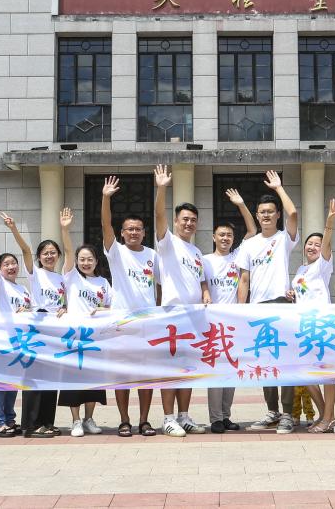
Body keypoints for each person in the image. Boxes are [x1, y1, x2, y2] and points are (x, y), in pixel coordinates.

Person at [236, 170, 300, 434]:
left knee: (286, 360)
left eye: (270, 212)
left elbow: (293, 214)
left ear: (276, 215)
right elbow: (244, 280)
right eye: (262, 212)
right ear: (256, 215)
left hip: (282, 305)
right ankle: (272, 411)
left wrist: (278, 188)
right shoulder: (249, 245)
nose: (266, 215)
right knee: (265, 361)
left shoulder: (284, 239)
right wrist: (241, 311)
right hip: (258, 308)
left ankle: (288, 413)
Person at [152, 164, 212, 437]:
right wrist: (161, 188)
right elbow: (158, 216)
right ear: (176, 222)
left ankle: (184, 416)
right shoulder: (167, 243)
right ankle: (168, 418)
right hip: (172, 316)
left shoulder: (197, 252)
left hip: (193, 316)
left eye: (193, 220)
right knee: (170, 368)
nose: (189, 223)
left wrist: (206, 292)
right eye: (184, 219)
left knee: (187, 368)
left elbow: (200, 280)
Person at [100, 177, 159, 437]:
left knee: (146, 376)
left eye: (138, 229)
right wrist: (106, 197)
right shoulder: (116, 252)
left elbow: (158, 287)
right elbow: (105, 224)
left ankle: (144, 420)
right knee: (122, 375)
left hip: (147, 324)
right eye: (129, 229)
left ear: (144, 232)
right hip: (121, 324)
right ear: (122, 233)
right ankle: (124, 420)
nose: (134, 232)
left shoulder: (153, 255)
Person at [1, 211, 66, 438]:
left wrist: (65, 309)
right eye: (45, 253)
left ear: (58, 256)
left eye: (53, 252)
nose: (49, 256)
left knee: (51, 378)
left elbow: (65, 303)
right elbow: (25, 250)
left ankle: (47, 422)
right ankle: (30, 425)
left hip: (54, 331)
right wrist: (14, 228)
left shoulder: (62, 279)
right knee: (34, 377)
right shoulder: (35, 274)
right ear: (39, 257)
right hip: (36, 330)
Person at [201, 188, 257, 434]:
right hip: (212, 322)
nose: (225, 238)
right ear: (213, 237)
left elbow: (252, 231)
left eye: (229, 235)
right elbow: (201, 284)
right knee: (215, 370)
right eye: (221, 235)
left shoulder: (237, 256)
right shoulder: (204, 260)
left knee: (232, 368)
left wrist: (241, 203)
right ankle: (215, 418)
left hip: (234, 321)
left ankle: (225, 416)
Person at [57, 210, 114, 438]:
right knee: (73, 382)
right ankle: (76, 421)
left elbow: (113, 307)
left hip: (96, 339)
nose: (86, 262)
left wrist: (102, 310)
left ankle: (89, 419)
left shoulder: (103, 282)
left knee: (93, 382)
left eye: (90, 259)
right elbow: (68, 251)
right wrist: (65, 230)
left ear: (96, 261)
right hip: (74, 338)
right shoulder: (71, 276)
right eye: (82, 259)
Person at [291, 199, 335, 434]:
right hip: (303, 326)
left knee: (327, 372)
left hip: (322, 323)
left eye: (317, 244)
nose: (312, 247)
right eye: (309, 243)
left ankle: (328, 417)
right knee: (305, 373)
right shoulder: (301, 269)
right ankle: (326, 415)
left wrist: (329, 223)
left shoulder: (323, 265)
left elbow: (327, 242)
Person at [0, 234, 32, 437]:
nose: (11, 267)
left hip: (19, 343)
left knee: (12, 384)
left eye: (13, 263)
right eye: (6, 264)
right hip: (0, 341)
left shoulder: (23, 289)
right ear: (0, 268)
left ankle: (9, 419)